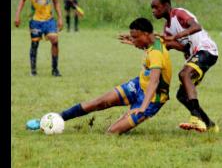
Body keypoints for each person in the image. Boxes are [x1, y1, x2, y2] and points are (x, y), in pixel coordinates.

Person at [26, 17, 172, 134]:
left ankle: (127, 118)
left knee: (112, 132)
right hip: (139, 85)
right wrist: (133, 40)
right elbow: (154, 41)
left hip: (152, 98)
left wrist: (142, 107)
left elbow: (154, 81)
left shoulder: (156, 54)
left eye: (135, 38)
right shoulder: (153, 41)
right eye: (132, 37)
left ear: (145, 34)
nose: (133, 41)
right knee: (98, 102)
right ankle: (55, 118)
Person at [150, 0, 219, 132]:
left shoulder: (179, 13)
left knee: (184, 74)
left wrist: (175, 37)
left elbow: (196, 27)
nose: (153, 11)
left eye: (156, 7)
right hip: (195, 54)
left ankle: (195, 117)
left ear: (166, 5)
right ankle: (210, 125)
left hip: (207, 50)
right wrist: (142, 42)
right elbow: (184, 47)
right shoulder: (167, 28)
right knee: (182, 96)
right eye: (152, 8)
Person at [15, 0, 63, 77]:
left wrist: (60, 18)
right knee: (34, 44)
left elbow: (56, 3)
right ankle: (33, 70)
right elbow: (22, 1)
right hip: (35, 21)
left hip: (49, 20)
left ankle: (55, 69)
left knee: (55, 41)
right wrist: (17, 16)